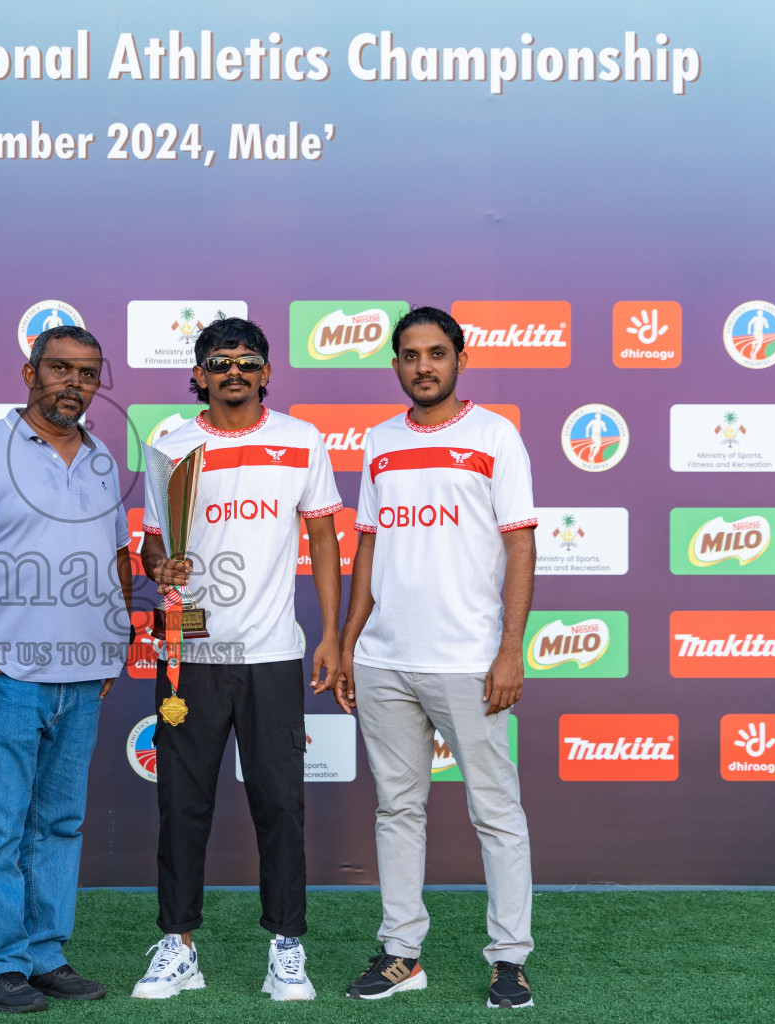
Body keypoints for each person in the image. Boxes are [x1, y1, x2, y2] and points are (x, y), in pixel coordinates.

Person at [0, 324, 134, 1014]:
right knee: (2, 826)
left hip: (82, 677)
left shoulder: (104, 459)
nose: (73, 383)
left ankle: (45, 954)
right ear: (29, 373)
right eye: (60, 369)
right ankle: (1, 963)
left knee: (60, 824)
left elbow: (114, 559)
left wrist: (115, 637)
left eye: (88, 373)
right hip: (6, 678)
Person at [331, 306, 538, 1009]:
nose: (423, 366)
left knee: (496, 811)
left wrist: (510, 651)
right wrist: (352, 642)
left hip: (469, 660)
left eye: (436, 353)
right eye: (411, 355)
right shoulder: (379, 441)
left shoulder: (494, 435)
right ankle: (401, 952)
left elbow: (519, 544)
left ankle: (509, 959)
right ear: (395, 364)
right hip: (387, 659)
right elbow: (367, 547)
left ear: (460, 359)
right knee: (397, 808)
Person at [133, 317, 342, 1002]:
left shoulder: (301, 440)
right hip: (189, 653)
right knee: (181, 804)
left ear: (266, 373)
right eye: (219, 362)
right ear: (198, 374)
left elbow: (325, 541)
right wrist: (162, 566)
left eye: (247, 361)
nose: (233, 373)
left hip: (273, 655)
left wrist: (333, 634)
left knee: (280, 805)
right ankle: (178, 944)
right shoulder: (170, 445)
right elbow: (152, 548)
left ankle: (286, 946)